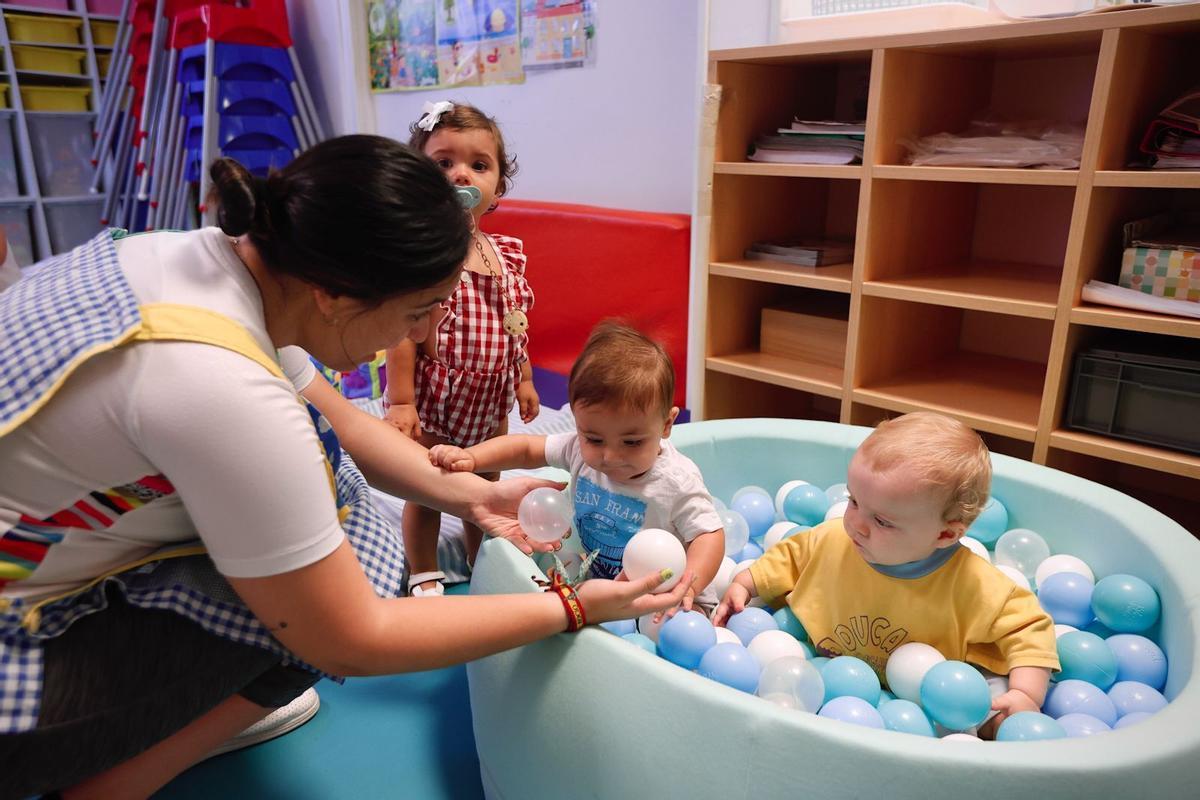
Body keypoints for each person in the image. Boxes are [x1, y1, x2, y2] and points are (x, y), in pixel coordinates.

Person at [0, 136, 692, 799]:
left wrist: (471, 500)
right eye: (418, 312)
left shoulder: (209, 264)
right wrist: (570, 606)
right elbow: (354, 637)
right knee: (357, 557)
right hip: (16, 671)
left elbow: (344, 421)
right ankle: (114, 775)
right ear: (336, 291)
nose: (419, 336)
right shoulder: (218, 387)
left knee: (343, 492)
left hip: (43, 539)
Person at [713, 411, 1059, 737]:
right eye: (853, 501)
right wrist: (747, 582)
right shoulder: (835, 539)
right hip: (827, 671)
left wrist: (1026, 693)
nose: (856, 525)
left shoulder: (972, 582)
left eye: (882, 521)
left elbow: (1028, 626)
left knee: (989, 709)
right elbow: (791, 556)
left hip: (930, 696)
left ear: (945, 535)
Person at [429, 321, 726, 614]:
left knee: (680, 625)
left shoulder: (676, 481)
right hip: (599, 578)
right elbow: (526, 448)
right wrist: (473, 458)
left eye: (632, 442)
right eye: (594, 438)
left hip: (664, 591)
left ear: (667, 424)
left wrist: (689, 585)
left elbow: (708, 535)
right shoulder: (577, 450)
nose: (609, 456)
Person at [382, 101, 539, 597]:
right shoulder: (426, 256)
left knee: (484, 486)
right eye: (443, 163)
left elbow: (515, 323)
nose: (460, 175)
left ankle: (481, 558)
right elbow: (404, 332)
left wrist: (526, 378)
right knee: (429, 490)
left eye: (478, 164)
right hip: (439, 399)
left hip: (490, 401)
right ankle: (424, 570)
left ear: (497, 187)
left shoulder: (505, 255)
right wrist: (401, 400)